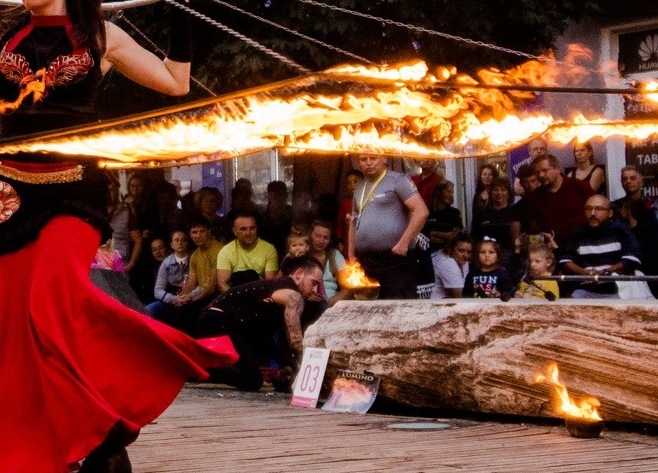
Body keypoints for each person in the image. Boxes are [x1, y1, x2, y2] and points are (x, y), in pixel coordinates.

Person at [0, 0, 229, 473]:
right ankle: (45, 449)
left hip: (74, 190)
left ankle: (103, 435)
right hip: (8, 195)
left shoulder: (102, 35)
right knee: (13, 322)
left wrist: (177, 7)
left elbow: (176, 81)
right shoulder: (4, 33)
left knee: (53, 300)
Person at [199, 256, 326, 393]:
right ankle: (196, 365)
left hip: (226, 323)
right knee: (252, 380)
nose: (315, 289)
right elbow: (295, 339)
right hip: (217, 321)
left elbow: (264, 339)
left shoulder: (281, 288)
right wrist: (312, 364)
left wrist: (289, 364)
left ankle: (198, 367)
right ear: (299, 274)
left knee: (255, 370)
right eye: (313, 283)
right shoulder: (293, 296)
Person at [343, 154, 428, 301]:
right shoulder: (360, 187)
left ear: (384, 159)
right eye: (363, 159)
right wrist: (350, 254)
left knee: (397, 309)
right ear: (359, 163)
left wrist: (404, 243)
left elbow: (421, 212)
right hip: (367, 262)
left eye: (373, 158)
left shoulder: (398, 180)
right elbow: (353, 221)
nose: (368, 163)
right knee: (369, 311)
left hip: (395, 260)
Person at [557, 194, 642, 298]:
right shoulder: (578, 233)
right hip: (587, 289)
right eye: (588, 209)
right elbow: (565, 261)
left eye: (598, 209)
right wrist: (584, 273)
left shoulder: (621, 230)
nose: (592, 213)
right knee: (573, 303)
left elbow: (632, 260)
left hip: (618, 288)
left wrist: (604, 272)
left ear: (610, 213)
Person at [523, 154, 596, 243]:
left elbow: (597, 213)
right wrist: (528, 240)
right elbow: (537, 232)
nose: (541, 175)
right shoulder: (535, 197)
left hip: (582, 245)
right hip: (553, 251)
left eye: (544, 170)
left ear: (557, 168)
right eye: (537, 173)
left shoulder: (579, 187)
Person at [215, 212, 279, 291]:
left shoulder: (269, 249)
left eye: (252, 228)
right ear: (234, 231)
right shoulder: (225, 251)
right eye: (243, 229)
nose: (248, 233)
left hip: (260, 295)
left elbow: (270, 284)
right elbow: (222, 284)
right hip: (234, 297)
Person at [144, 228, 191, 319]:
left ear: (188, 243)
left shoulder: (195, 258)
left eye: (183, 240)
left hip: (191, 298)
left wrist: (190, 296)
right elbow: (158, 291)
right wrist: (174, 299)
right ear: (172, 245)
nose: (180, 243)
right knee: (148, 310)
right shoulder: (166, 263)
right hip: (171, 299)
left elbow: (201, 284)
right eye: (176, 240)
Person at [431, 233, 472, 299]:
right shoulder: (447, 262)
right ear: (451, 249)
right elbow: (460, 296)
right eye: (461, 251)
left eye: (469, 252)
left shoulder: (463, 262)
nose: (465, 255)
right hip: (436, 305)